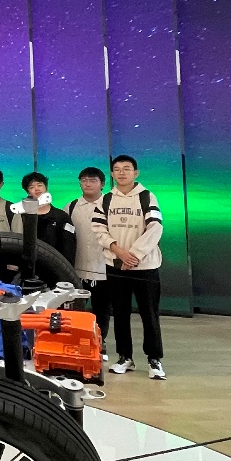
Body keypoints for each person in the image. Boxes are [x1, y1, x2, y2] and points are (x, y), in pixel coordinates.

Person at [92, 155, 166, 380]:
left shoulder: (147, 196)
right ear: (112, 174)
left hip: (146, 266)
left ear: (136, 172)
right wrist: (119, 251)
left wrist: (134, 255)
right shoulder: (106, 199)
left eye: (127, 168)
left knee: (149, 313)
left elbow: (155, 227)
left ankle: (154, 359)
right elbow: (99, 229)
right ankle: (125, 357)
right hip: (116, 265)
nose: (122, 173)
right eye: (117, 169)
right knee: (120, 313)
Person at [67, 166, 110, 359]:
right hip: (77, 268)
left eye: (93, 180)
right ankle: (78, 341)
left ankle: (100, 342)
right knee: (77, 309)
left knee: (102, 309)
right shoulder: (71, 207)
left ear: (102, 184)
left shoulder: (110, 204)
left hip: (103, 268)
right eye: (84, 180)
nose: (88, 184)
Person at [17, 172, 77, 261]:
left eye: (39, 185)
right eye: (31, 187)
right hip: (29, 264)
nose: (36, 189)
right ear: (28, 192)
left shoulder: (61, 216)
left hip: (55, 265)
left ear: (46, 188)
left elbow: (69, 246)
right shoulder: (22, 216)